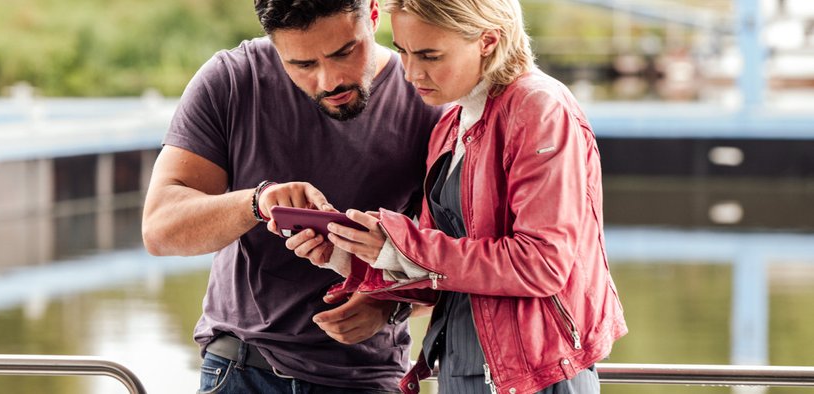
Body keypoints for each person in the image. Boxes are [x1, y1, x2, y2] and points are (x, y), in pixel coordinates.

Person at [291, 0, 628, 392]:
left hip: (536, 375)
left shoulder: (540, 108)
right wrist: (352, 254)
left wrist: (403, 244)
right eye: (402, 51)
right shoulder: (450, 124)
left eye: (429, 55)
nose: (411, 72)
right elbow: (445, 268)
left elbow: (542, 263)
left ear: (488, 40)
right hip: (463, 367)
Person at [141, 0, 443, 392]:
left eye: (344, 52)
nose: (329, 80)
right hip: (240, 369)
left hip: (367, 379)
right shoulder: (233, 79)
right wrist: (257, 202)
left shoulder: (429, 102)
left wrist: (391, 306)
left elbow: (466, 261)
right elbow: (159, 230)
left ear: (372, 14)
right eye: (303, 65)